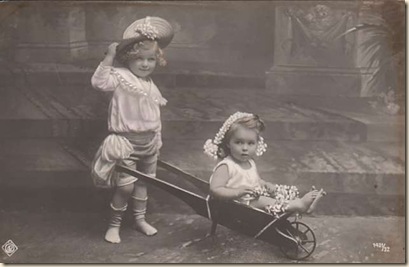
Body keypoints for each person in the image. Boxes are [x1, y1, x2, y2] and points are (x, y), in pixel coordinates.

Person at [90, 16, 174, 243]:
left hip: (148, 142)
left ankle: (139, 220)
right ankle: (114, 225)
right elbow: (99, 83)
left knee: (144, 182)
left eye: (150, 60)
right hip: (126, 142)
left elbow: (154, 115)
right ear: (127, 58)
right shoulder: (120, 77)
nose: (145, 64)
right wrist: (109, 57)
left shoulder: (150, 85)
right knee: (125, 187)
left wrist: (157, 137)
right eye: (139, 59)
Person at [204, 112, 326, 216]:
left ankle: (301, 205)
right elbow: (215, 189)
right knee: (264, 200)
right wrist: (238, 192)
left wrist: (265, 184)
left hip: (252, 197)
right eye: (239, 142)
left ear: (257, 144)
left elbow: (255, 181)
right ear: (228, 143)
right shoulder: (227, 166)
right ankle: (299, 205)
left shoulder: (250, 162)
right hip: (239, 204)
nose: (245, 148)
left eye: (250, 143)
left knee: (277, 191)